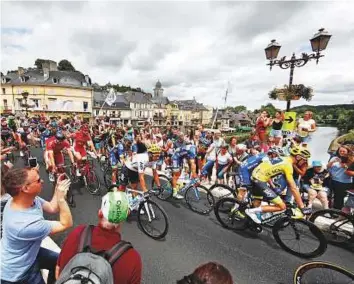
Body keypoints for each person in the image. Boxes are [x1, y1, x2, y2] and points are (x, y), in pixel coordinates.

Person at [1, 167, 72, 284]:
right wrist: (61, 199)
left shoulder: (26, 199)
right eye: (38, 180)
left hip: (28, 254)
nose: (43, 181)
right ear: (25, 188)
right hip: (18, 272)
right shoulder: (26, 225)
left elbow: (52, 207)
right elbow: (66, 223)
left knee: (60, 261)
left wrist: (57, 188)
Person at [56, 190, 142, 284]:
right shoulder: (132, 258)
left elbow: (58, 272)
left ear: (100, 213)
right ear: (124, 218)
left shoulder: (77, 233)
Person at [246, 145, 312, 224]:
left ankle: (251, 221)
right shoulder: (288, 165)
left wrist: (272, 185)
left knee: (257, 201)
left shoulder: (284, 158)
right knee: (282, 206)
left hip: (257, 176)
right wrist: (302, 207)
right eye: (304, 159)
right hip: (259, 179)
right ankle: (250, 211)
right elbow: (293, 188)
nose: (305, 162)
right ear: (298, 157)